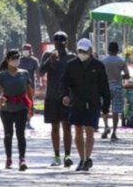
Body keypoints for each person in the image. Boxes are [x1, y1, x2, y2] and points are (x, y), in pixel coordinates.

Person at [61, 38, 111, 172]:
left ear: (90, 50)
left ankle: (87, 158)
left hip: (93, 104)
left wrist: (106, 106)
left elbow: (104, 87)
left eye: (84, 50)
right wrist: (65, 95)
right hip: (77, 103)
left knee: (89, 130)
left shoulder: (98, 66)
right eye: (80, 50)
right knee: (78, 131)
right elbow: (64, 83)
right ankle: (82, 159)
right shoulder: (71, 65)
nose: (82, 53)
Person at [0, 49, 34, 171]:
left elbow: (29, 91)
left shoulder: (24, 73)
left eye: (17, 58)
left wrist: (31, 107)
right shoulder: (2, 74)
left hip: (21, 107)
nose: (16, 60)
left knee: (20, 133)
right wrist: (0, 96)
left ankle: (22, 159)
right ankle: (9, 158)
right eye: (13, 58)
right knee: (8, 134)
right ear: (8, 60)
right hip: (6, 108)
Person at [40, 30, 74, 167]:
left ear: (66, 42)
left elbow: (75, 78)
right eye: (57, 40)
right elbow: (41, 71)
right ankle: (56, 156)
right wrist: (49, 61)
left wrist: (72, 96)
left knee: (67, 127)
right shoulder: (48, 55)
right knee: (54, 127)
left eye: (62, 40)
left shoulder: (71, 57)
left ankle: (67, 155)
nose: (59, 43)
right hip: (52, 96)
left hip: (66, 96)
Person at [99, 41, 130, 140]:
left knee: (105, 108)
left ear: (108, 50)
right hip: (117, 87)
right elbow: (127, 75)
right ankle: (114, 132)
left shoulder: (103, 61)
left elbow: (98, 75)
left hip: (105, 87)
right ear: (117, 50)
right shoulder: (121, 61)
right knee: (116, 110)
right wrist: (120, 76)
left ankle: (106, 126)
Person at [17, 43, 40, 129]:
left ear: (30, 51)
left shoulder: (34, 61)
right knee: (20, 103)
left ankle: (28, 121)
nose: (25, 52)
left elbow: (37, 73)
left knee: (29, 104)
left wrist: (39, 82)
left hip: (30, 86)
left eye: (27, 50)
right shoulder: (19, 60)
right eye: (24, 50)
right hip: (20, 85)